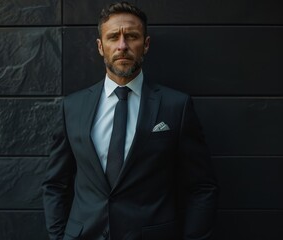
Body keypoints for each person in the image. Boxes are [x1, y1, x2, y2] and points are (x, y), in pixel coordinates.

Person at [42, 2, 219, 240]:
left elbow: (201, 187)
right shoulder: (72, 107)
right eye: (113, 37)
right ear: (100, 47)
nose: (122, 46)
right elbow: (55, 184)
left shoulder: (176, 106)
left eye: (132, 36)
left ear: (145, 44)